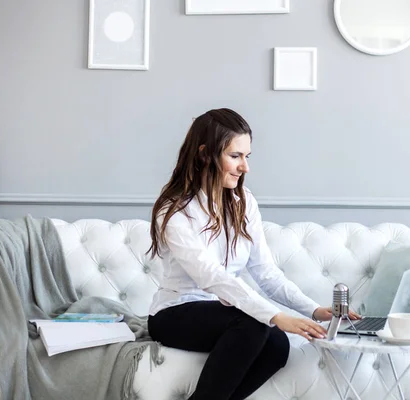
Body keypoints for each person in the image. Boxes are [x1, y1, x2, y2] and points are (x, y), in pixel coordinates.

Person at [146, 108, 360, 400]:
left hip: (224, 313)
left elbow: (266, 272)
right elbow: (211, 276)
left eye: (247, 156)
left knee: (278, 345)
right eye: (235, 156)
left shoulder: (243, 202)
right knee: (252, 322)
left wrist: (313, 310)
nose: (245, 167)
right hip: (174, 313)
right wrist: (274, 314)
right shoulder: (175, 211)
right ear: (205, 154)